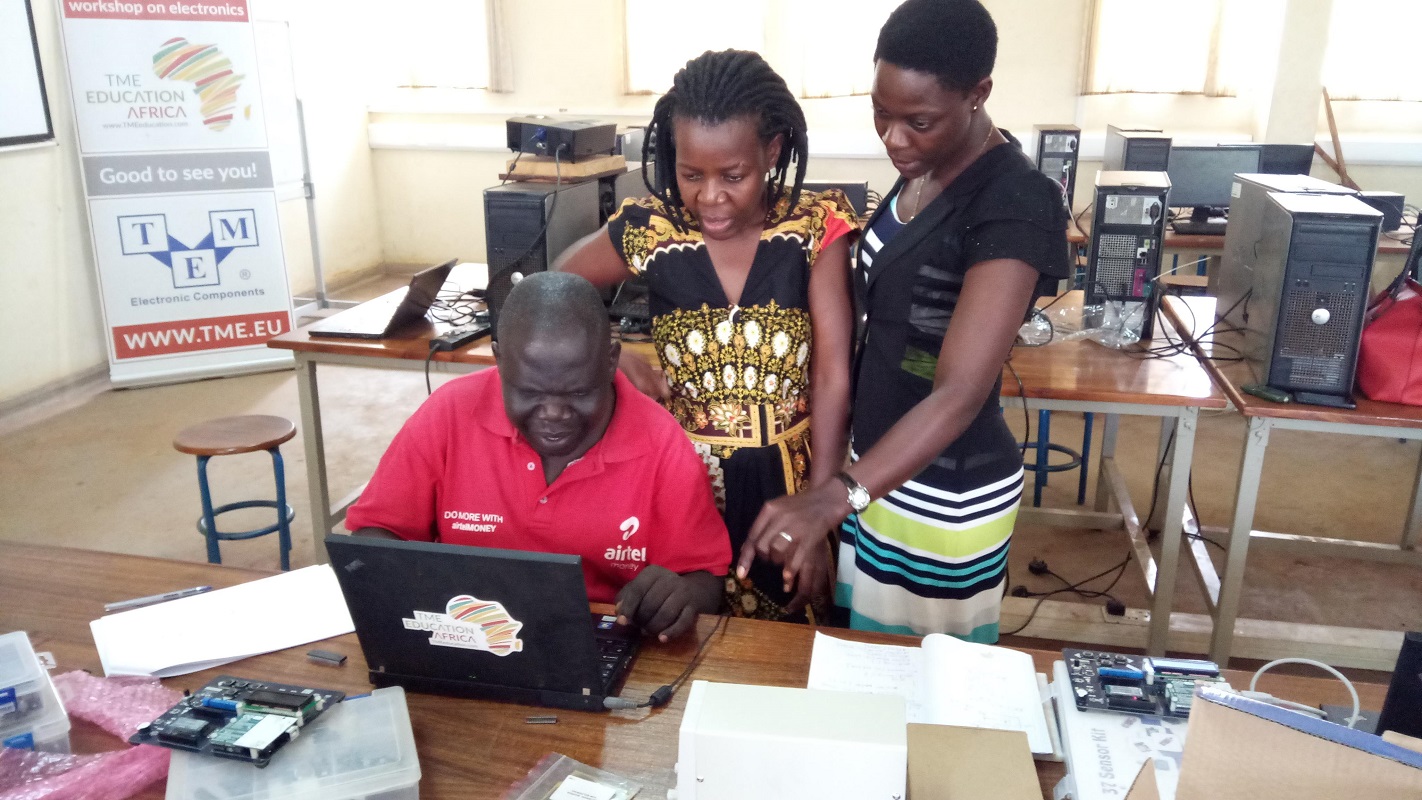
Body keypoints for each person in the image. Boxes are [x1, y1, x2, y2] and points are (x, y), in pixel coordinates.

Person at [737, 0, 1070, 642]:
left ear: (979, 94)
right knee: (867, 664)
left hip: (943, 495)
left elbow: (959, 391)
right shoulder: (923, 172)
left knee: (923, 690)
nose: (893, 139)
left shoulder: (1015, 202)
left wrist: (834, 496)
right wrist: (844, 484)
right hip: (879, 473)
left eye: (919, 121)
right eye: (880, 113)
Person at [556, 50, 857, 623]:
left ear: (771, 152)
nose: (710, 197)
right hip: (679, 479)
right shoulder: (652, 228)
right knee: (676, 632)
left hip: (788, 482)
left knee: (789, 641)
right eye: (692, 175)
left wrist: (819, 513)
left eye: (733, 176)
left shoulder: (816, 227)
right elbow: (554, 291)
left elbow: (833, 375)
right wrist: (612, 361)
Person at [346, 272, 730, 642]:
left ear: (611, 360)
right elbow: (374, 535)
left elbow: (704, 579)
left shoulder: (661, 443)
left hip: (602, 637)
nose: (554, 414)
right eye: (529, 393)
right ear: (499, 360)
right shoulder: (448, 415)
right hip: (465, 631)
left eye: (579, 393)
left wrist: (677, 597)